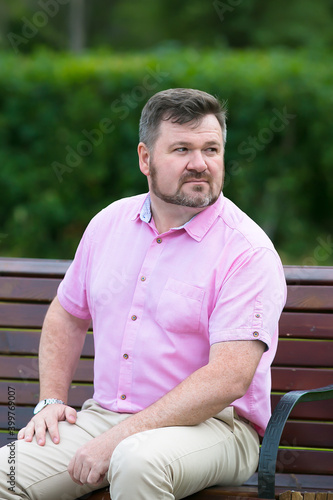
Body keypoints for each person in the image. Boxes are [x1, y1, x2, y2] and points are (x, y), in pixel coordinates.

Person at [0, 88, 287, 500]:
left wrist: (120, 438)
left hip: (216, 428)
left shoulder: (246, 251)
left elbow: (229, 378)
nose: (200, 164)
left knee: (136, 461)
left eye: (211, 149)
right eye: (182, 149)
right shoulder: (108, 224)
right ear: (145, 158)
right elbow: (67, 313)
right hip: (107, 417)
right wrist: (50, 400)